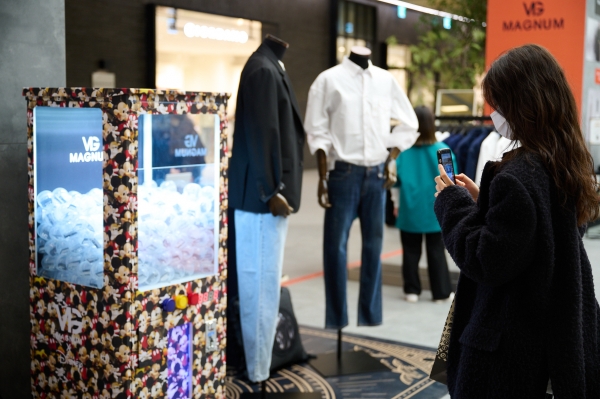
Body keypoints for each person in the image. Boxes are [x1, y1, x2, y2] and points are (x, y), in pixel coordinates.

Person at [434, 44, 600, 398]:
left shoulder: (517, 175)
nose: (494, 114)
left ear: (523, 104)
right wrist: (486, 203)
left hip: (509, 351)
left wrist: (452, 203)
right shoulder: (564, 161)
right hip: (556, 338)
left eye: (499, 104)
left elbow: (485, 259)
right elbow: (541, 235)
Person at [392, 106, 455, 303]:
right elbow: (453, 182)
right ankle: (441, 292)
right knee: (436, 251)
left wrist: (395, 204)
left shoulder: (403, 153)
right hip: (436, 209)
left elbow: (394, 181)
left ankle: (412, 290)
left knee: (410, 252)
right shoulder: (443, 151)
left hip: (409, 208)